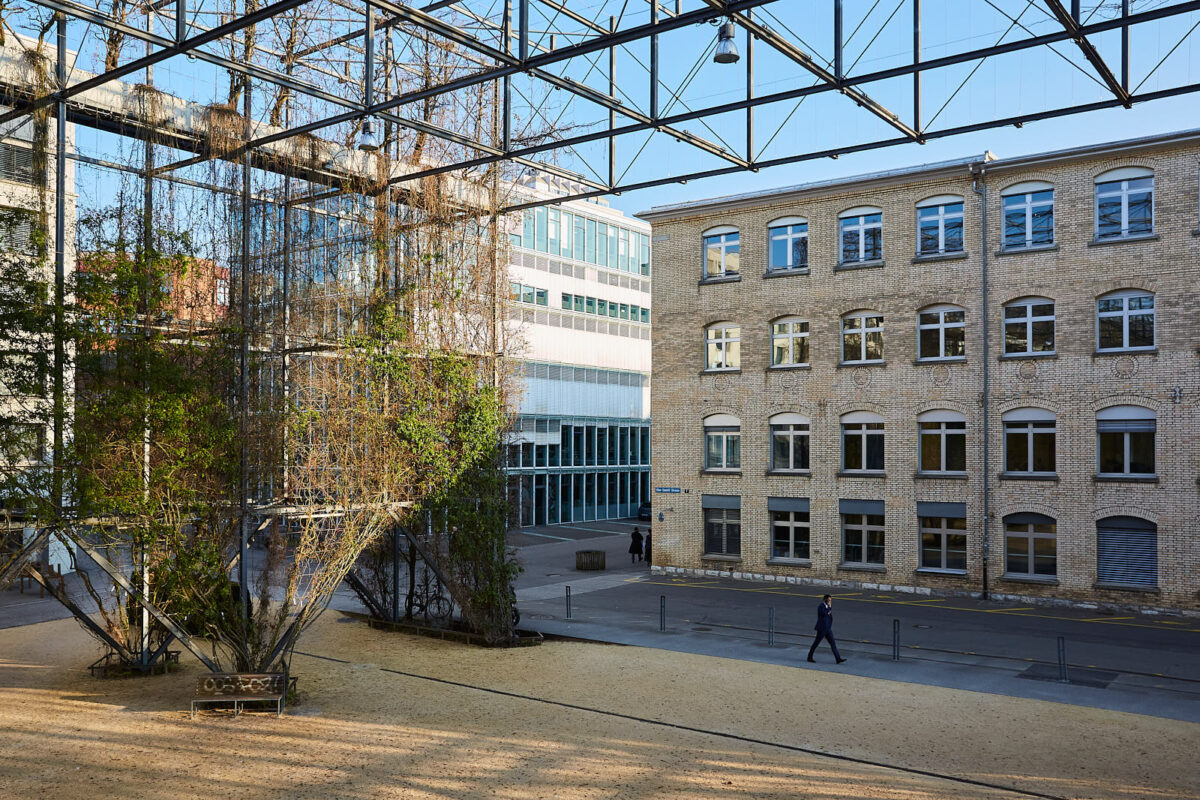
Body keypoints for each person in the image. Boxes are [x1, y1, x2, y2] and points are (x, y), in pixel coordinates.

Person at [807, 594, 846, 664]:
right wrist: (829, 608)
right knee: (816, 643)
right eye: (829, 600)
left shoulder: (827, 607)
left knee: (833, 644)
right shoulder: (821, 606)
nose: (830, 602)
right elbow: (824, 614)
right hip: (822, 629)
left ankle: (838, 659)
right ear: (825, 600)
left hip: (828, 629)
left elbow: (830, 617)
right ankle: (809, 657)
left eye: (830, 600)